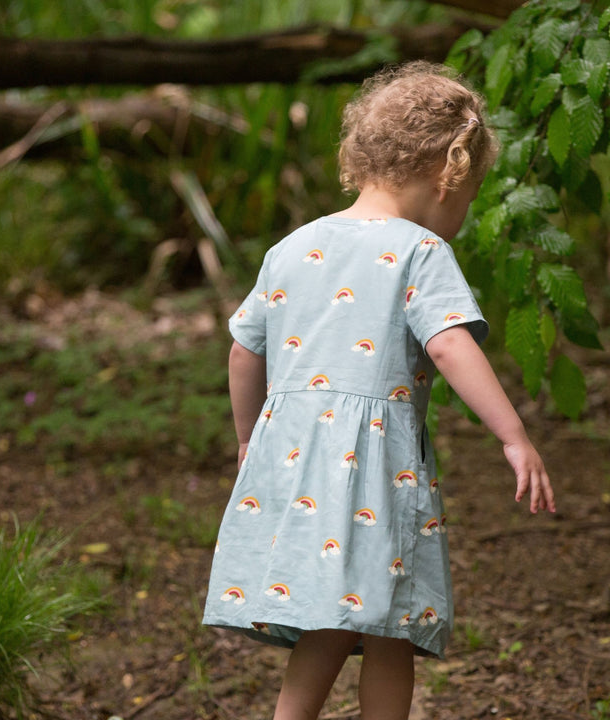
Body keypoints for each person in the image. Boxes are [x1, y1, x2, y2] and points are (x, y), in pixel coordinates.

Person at [203, 61, 555, 720]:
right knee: (389, 621)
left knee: (327, 617)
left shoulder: (294, 246)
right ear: (447, 177)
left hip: (295, 465)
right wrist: (514, 436)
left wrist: (251, 438)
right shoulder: (420, 251)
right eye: (471, 193)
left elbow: (244, 348)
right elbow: (450, 344)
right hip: (374, 474)